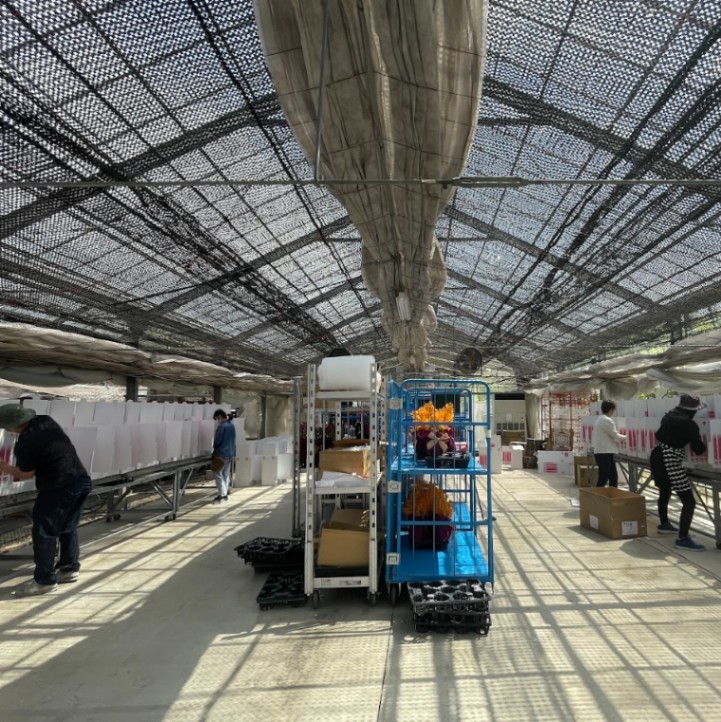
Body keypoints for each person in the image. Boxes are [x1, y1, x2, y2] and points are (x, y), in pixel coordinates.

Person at [0, 404, 92, 597]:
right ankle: (68, 568)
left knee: (44, 532)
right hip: (80, 480)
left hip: (59, 487)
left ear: (11, 426)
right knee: (67, 527)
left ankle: (44, 581)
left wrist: (4, 467)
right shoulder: (45, 420)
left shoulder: (26, 443)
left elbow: (26, 474)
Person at [650, 394, 707, 551]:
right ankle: (683, 539)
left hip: (657, 456)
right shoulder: (689, 425)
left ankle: (664, 524)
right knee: (689, 501)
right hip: (670, 460)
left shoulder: (669, 416)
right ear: (692, 411)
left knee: (665, 491)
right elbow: (698, 449)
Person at [592, 400, 626, 488]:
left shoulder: (600, 419)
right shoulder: (607, 420)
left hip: (604, 452)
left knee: (613, 476)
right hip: (604, 452)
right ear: (611, 409)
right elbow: (615, 435)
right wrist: (628, 438)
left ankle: (612, 494)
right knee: (604, 476)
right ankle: (597, 494)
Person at [211, 409, 236, 504]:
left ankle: (222, 495)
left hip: (221, 453)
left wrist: (214, 449)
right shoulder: (231, 425)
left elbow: (217, 441)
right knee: (226, 474)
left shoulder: (222, 427)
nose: (217, 421)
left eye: (217, 419)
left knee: (217, 473)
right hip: (230, 453)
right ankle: (224, 494)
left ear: (220, 416)